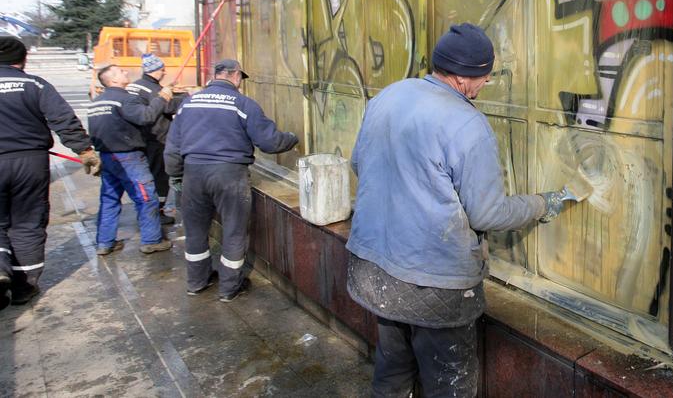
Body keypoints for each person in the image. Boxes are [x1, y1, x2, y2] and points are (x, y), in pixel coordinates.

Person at [347, 23, 568, 397]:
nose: (483, 87)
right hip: (432, 285)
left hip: (374, 270)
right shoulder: (468, 123)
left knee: (391, 373)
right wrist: (541, 204)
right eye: (484, 78)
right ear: (466, 79)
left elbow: (358, 164)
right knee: (450, 385)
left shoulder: (386, 97)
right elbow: (488, 214)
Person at [164, 59, 298, 302]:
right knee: (234, 231)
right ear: (235, 76)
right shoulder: (243, 104)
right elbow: (270, 143)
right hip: (229, 175)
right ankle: (229, 287)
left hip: (193, 174)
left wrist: (176, 175)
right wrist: (292, 138)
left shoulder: (188, 103)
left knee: (195, 231)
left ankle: (197, 282)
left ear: (215, 75)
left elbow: (172, 146)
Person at [0, 36, 100, 308]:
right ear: (23, 60)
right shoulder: (35, 84)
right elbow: (63, 119)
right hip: (29, 163)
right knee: (28, 223)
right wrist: (84, 150)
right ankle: (24, 287)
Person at [88, 64, 174, 256]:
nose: (125, 71)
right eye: (120, 71)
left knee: (109, 199)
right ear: (113, 81)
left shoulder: (97, 102)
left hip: (108, 156)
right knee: (146, 198)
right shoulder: (125, 99)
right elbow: (146, 117)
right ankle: (151, 240)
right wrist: (162, 98)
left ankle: (104, 243)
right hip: (129, 157)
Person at [127, 53, 186, 224]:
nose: (165, 72)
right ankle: (157, 214)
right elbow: (167, 106)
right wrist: (188, 97)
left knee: (146, 177)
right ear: (154, 71)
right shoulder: (152, 90)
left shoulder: (137, 86)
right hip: (157, 140)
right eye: (162, 69)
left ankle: (147, 211)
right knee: (159, 177)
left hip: (142, 139)